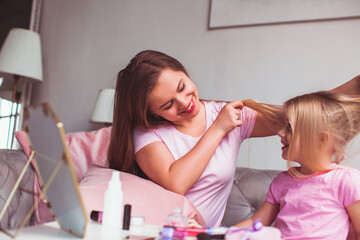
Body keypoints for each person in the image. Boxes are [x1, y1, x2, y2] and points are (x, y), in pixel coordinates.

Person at [107, 49, 359, 227]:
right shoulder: (147, 134)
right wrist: (218, 128)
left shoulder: (226, 113)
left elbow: (296, 114)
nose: (185, 103)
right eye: (168, 105)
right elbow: (176, 182)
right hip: (160, 230)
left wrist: (356, 85)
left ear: (184, 72)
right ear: (151, 113)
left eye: (183, 87)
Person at [233, 91, 360, 239]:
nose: (280, 133)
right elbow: (255, 223)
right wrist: (221, 235)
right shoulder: (281, 182)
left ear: (320, 138)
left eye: (289, 128)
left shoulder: (346, 180)